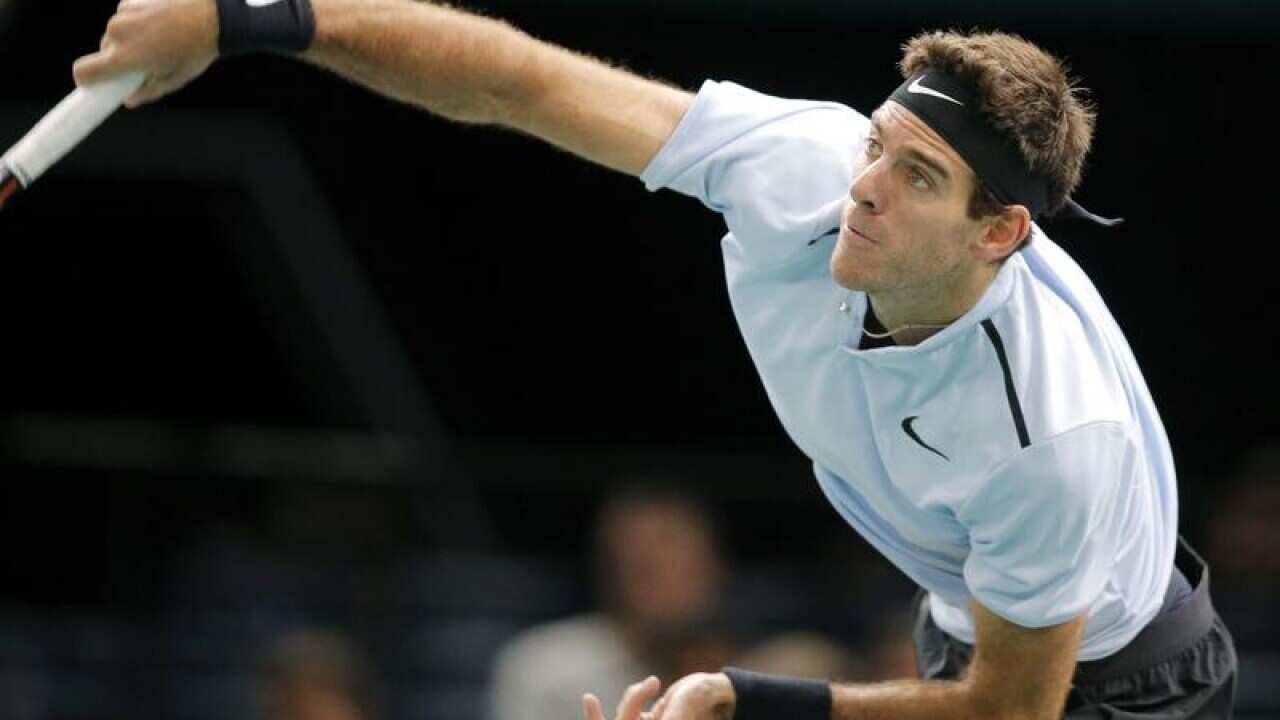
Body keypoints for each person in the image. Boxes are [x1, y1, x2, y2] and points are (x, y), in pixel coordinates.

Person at [74, 2, 1238, 717]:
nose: (862, 193)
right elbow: (514, 82)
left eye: (916, 177)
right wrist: (255, 19)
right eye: (878, 146)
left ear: (998, 233)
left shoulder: (1047, 438)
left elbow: (1002, 714)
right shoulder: (803, 166)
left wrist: (744, 699)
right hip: (964, 619)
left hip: (1117, 687)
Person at [489, 483, 736, 720]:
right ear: (612, 573)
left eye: (681, 565)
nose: (664, 584)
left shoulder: (751, 675)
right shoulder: (547, 668)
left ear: (716, 567)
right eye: (644, 569)